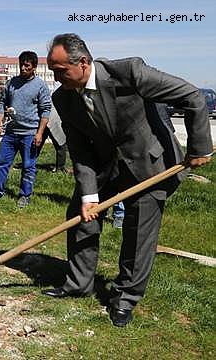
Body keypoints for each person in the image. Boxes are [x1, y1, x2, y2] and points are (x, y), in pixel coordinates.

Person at [42, 33, 212, 327]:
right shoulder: (63, 98)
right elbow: (80, 151)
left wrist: (199, 147)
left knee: (138, 230)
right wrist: (89, 197)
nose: (56, 79)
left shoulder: (130, 72)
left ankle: (124, 299)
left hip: (149, 162)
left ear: (82, 63)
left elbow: (191, 96)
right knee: (82, 217)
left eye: (60, 71)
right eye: (53, 72)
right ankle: (78, 283)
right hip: (106, 165)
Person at [0, 50, 52, 208]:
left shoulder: (40, 85)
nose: (23, 68)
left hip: (30, 134)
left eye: (27, 65)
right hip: (10, 133)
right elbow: (2, 103)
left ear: (34, 67)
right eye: (21, 64)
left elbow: (46, 111)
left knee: (28, 166)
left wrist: (39, 133)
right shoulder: (12, 83)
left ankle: (25, 196)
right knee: (1, 163)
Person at [37, 105, 68, 173]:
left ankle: (60, 167)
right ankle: (29, 163)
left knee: (60, 144)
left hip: (54, 119)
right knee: (37, 143)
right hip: (44, 118)